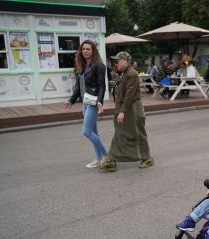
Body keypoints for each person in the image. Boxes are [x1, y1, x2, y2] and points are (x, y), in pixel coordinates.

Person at [99, 51, 154, 172]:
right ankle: (112, 159)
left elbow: (130, 95)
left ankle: (146, 157)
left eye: (118, 61)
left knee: (138, 133)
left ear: (126, 62)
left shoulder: (132, 74)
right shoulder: (124, 73)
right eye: (115, 61)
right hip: (126, 108)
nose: (116, 63)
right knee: (121, 133)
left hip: (132, 109)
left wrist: (122, 111)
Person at [64, 40, 108, 168]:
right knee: (94, 131)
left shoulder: (99, 65)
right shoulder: (81, 66)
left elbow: (101, 85)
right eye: (83, 49)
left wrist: (100, 101)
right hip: (85, 102)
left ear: (93, 51)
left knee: (86, 131)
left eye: (88, 49)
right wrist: (71, 101)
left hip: (93, 102)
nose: (85, 51)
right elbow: (78, 87)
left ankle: (106, 155)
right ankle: (99, 158)